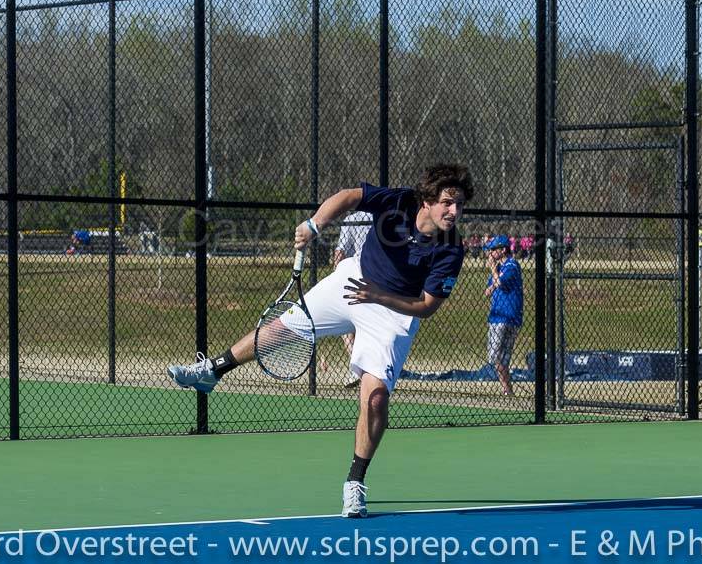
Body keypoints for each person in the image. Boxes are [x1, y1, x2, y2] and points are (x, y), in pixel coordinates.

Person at [167, 163, 473, 519]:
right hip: (355, 279)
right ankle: (213, 370)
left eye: (460, 205)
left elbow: (426, 307)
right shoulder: (398, 202)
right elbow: (347, 198)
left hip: (394, 312)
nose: (455, 212)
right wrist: (313, 225)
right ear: (427, 201)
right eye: (448, 203)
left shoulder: (451, 249)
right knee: (280, 329)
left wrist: (379, 297)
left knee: (375, 400)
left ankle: (355, 483)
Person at [330, 210, 373, 389]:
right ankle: (366, 368)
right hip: (381, 276)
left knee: (346, 323)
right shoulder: (382, 215)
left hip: (357, 275)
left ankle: (360, 368)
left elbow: (340, 250)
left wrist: (336, 273)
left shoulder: (351, 219)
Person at [482, 234, 523, 396]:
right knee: (496, 357)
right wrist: (494, 274)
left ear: (503, 250)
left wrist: (493, 269)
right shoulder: (498, 269)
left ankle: (507, 389)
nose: (490, 254)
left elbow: (499, 283)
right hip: (496, 315)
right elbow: (488, 291)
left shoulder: (512, 266)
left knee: (499, 357)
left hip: (508, 316)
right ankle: (507, 389)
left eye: (493, 250)